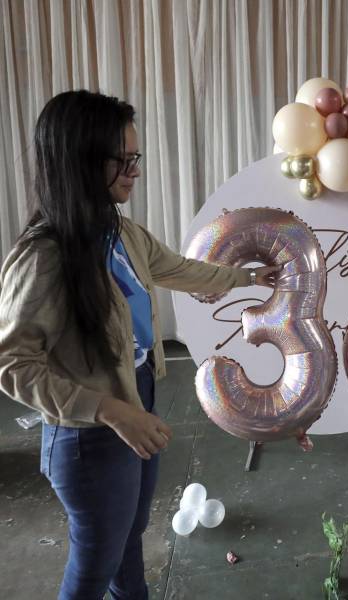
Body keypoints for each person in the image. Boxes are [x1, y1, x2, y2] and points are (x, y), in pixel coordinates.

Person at [0, 90, 279, 600]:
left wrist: (247, 277)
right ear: (82, 160)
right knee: (92, 567)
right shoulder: (43, 256)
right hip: (90, 434)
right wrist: (108, 410)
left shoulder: (119, 232)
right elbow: (13, 365)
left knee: (128, 539)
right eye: (123, 160)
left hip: (137, 400)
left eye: (136, 157)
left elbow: (179, 268)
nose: (135, 170)